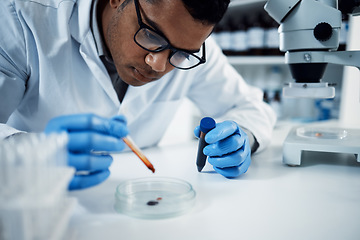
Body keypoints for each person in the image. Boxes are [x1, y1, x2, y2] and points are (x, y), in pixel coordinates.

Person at [0, 0, 276, 190]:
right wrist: (32, 155)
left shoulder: (191, 51)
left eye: (179, 54)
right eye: (152, 36)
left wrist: (243, 138)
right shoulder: (21, 18)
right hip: (43, 207)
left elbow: (252, 106)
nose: (159, 65)